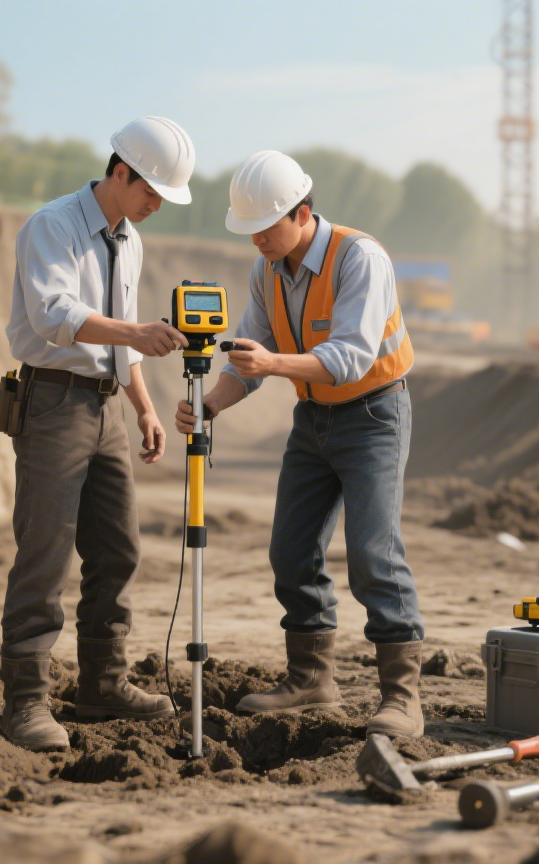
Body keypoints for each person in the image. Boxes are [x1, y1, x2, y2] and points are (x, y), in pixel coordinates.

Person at [174, 150, 425, 738]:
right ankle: (312, 679)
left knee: (373, 554)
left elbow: (349, 356)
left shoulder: (359, 258)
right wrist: (211, 403)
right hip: (311, 419)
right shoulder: (267, 272)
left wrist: (271, 362)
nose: (256, 239)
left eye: (265, 228)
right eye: (249, 231)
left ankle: (402, 696)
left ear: (302, 212)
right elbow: (250, 363)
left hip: (374, 415)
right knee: (290, 550)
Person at [0, 117, 195, 752]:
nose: (156, 204)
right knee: (46, 551)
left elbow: (121, 340)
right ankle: (25, 701)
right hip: (54, 402)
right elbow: (54, 317)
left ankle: (103, 683)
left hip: (109, 407)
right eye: (150, 190)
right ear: (120, 172)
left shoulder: (127, 240)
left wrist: (142, 406)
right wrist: (135, 334)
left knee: (117, 551)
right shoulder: (52, 226)